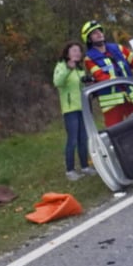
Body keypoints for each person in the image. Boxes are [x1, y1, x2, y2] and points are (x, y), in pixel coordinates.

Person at [81, 20, 133, 128]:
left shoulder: (117, 48)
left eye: (100, 31)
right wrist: (119, 79)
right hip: (112, 103)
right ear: (89, 39)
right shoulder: (89, 58)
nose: (99, 34)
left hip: (132, 97)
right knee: (117, 132)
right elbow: (100, 76)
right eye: (94, 33)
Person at [53, 41, 94, 181]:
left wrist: (88, 82)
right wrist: (67, 69)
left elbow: (82, 86)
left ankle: (85, 167)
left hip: (83, 107)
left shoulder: (80, 69)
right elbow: (57, 82)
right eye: (74, 51)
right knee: (73, 140)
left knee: (84, 138)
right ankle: (70, 171)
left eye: (79, 51)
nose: (77, 53)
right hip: (70, 110)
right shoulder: (61, 66)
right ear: (67, 53)